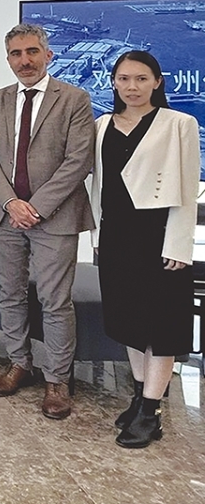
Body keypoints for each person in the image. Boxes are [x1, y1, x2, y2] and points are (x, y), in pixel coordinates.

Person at [0, 23, 94, 419]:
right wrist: (12, 202)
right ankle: (19, 363)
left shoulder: (74, 99)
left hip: (55, 217)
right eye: (16, 53)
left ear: (48, 54)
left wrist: (36, 207)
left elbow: (78, 161)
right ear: (8, 59)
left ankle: (57, 379)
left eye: (31, 52)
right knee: (10, 294)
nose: (24, 60)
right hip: (6, 215)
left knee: (54, 300)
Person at [90, 51, 198, 448]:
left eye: (140, 78)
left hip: (159, 237)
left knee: (161, 326)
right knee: (129, 322)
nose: (131, 87)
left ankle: (151, 413)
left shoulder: (179, 124)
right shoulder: (102, 124)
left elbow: (187, 189)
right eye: (123, 79)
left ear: (157, 81)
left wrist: (179, 245)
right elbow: (99, 185)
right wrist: (97, 237)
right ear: (113, 83)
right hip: (117, 236)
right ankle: (139, 397)